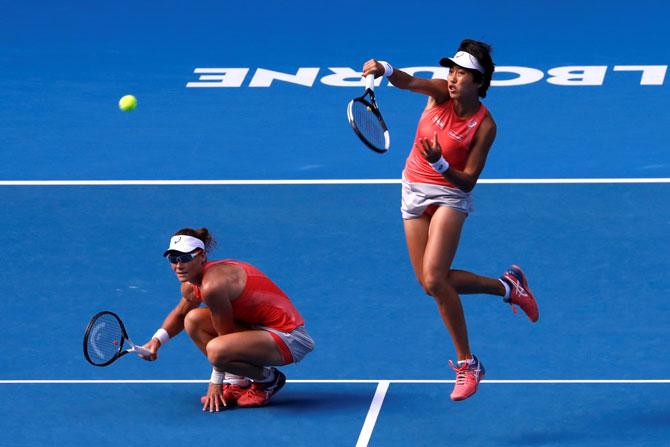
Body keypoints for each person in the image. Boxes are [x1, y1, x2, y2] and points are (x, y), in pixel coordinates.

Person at [362, 39, 539, 401]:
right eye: (452, 71)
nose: (454, 78)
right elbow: (410, 82)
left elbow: (469, 178)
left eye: (462, 74)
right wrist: (385, 67)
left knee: (433, 276)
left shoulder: (485, 126)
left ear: (479, 81)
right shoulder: (440, 92)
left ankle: (468, 364)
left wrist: (442, 163)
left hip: (450, 195)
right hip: (412, 190)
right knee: (431, 285)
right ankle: (508, 287)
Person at [141, 227, 315, 412]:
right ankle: (237, 383)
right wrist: (156, 340)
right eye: (173, 259)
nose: (178, 265)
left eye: (185, 258)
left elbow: (224, 341)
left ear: (201, 256)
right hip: (258, 329)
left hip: (290, 338)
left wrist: (215, 381)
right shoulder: (191, 285)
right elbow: (181, 313)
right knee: (193, 320)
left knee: (216, 350)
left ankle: (269, 380)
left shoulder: (213, 287)